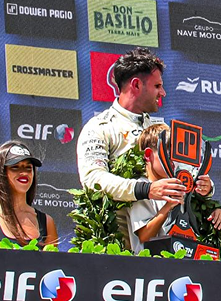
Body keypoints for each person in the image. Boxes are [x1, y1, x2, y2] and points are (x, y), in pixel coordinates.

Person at [76, 48, 196, 249]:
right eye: (157, 86)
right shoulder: (101, 127)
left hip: (166, 243)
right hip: (117, 247)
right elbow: (93, 180)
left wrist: (203, 185)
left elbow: (183, 171)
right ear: (136, 85)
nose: (163, 93)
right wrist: (146, 190)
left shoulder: (161, 128)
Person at [127, 124, 221, 254]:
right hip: (148, 266)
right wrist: (168, 206)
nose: (174, 163)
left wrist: (215, 213)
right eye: (168, 156)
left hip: (179, 263)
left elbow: (194, 225)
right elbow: (144, 236)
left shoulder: (182, 187)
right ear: (148, 155)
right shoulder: (141, 187)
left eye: (177, 157)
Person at [0, 141, 58, 247]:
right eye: (15, 167)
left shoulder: (47, 222)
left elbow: (52, 263)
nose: (24, 173)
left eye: (28, 168)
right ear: (0, 173)